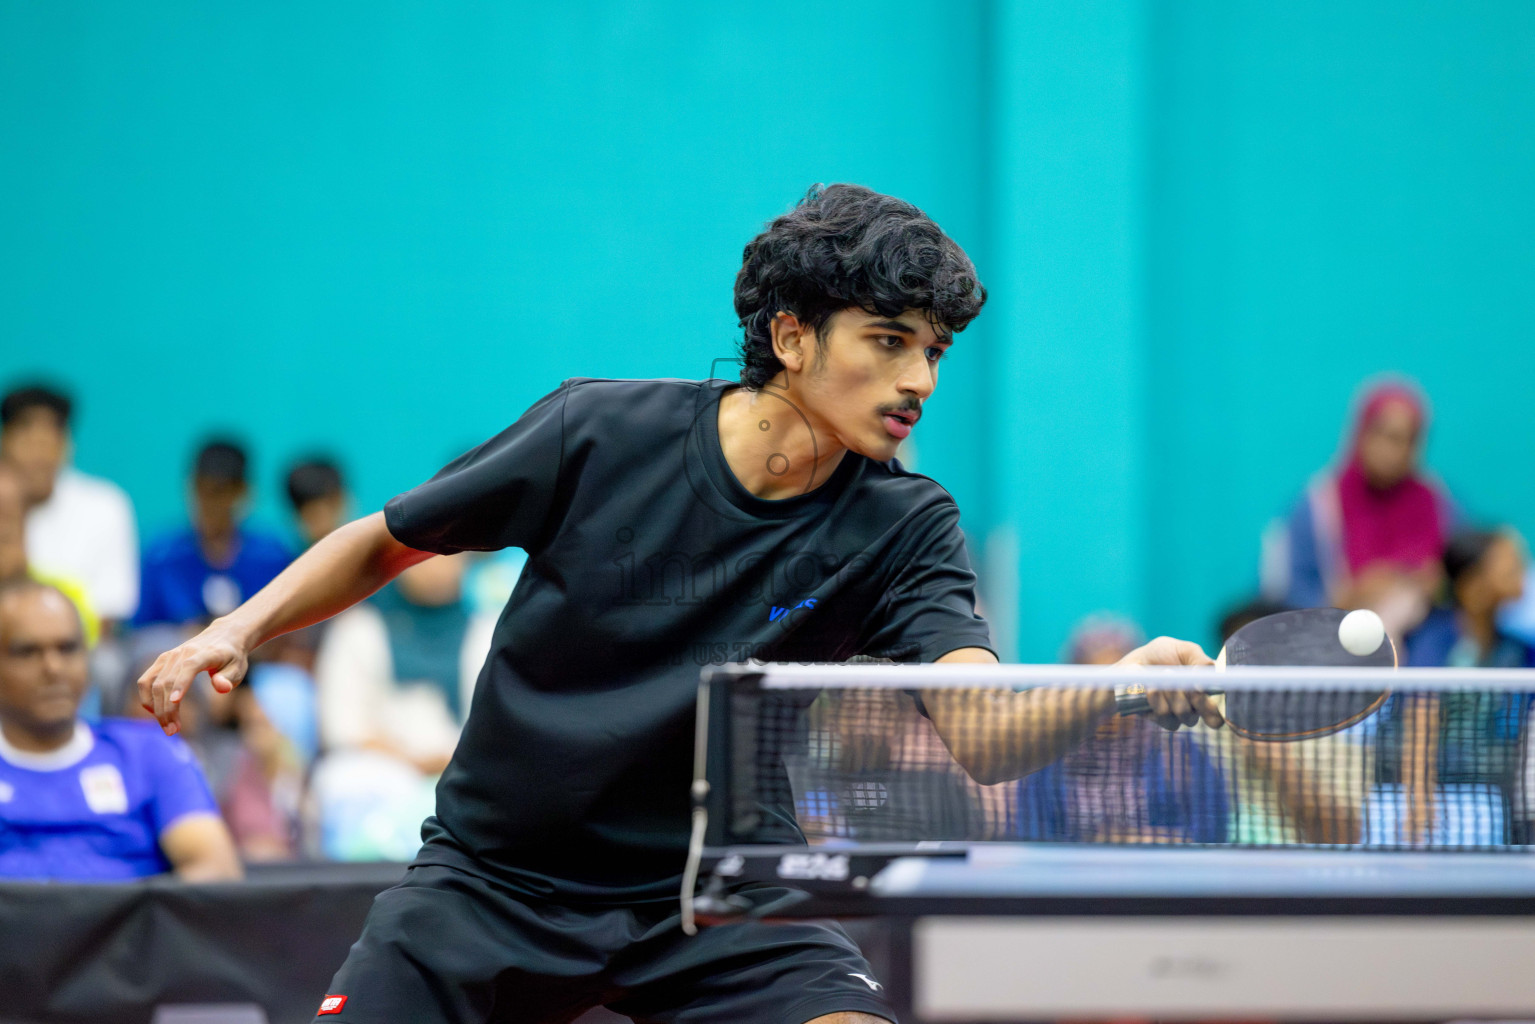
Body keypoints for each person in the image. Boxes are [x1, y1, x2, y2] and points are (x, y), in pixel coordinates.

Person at [139, 184, 1220, 1024]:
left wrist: (1112, 690)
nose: (919, 380)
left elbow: (980, 729)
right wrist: (236, 627)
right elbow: (386, 542)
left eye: (933, 350)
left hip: (714, 894)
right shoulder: (597, 432)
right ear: (792, 336)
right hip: (495, 877)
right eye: (887, 341)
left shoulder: (904, 525)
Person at [0, 579, 241, 881]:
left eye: (67, 648)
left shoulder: (150, 752)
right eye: (27, 652)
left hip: (131, 928)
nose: (53, 667)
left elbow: (215, 871)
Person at [309, 552, 495, 861]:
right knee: (343, 781)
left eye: (452, 552)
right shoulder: (359, 628)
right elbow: (342, 729)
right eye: (428, 553)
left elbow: (501, 727)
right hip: (381, 772)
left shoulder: (490, 630)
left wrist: (452, 759)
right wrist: (411, 761)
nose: (438, 564)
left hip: (463, 770)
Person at [1265, 380, 1455, 637]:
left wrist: (1432, 585)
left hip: (1424, 651)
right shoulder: (1319, 505)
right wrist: (1349, 598)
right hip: (1334, 648)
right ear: (1362, 433)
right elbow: (1288, 597)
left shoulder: (1436, 502)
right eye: (1388, 436)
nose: (1396, 452)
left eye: (1409, 440)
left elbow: (1462, 581)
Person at [0, 385, 140, 626]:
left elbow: (109, 616)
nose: (38, 452)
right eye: (27, 437)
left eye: (48, 439)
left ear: (67, 444)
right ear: (6, 441)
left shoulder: (107, 506)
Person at [134, 439, 294, 629]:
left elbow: (289, 631)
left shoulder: (272, 556)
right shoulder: (162, 555)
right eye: (200, 489)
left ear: (242, 491)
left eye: (218, 491)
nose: (207, 502)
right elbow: (140, 631)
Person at [286, 457, 349, 549]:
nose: (323, 525)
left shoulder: (371, 551)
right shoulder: (282, 560)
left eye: (332, 506)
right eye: (312, 517)